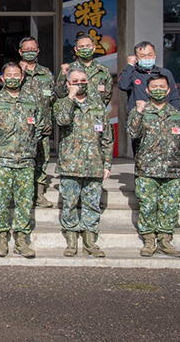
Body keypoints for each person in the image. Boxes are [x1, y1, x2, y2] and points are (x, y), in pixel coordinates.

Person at [0, 62, 47, 259]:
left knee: (24, 202)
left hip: (25, 160)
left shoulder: (32, 100)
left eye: (16, 75)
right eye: (8, 75)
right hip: (3, 159)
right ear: (2, 78)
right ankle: (1, 238)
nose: (12, 78)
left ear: (22, 77)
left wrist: (29, 148)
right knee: (1, 201)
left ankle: (21, 240)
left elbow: (40, 127)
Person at [127, 74, 180, 257]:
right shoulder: (140, 111)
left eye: (161, 86)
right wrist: (139, 112)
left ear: (169, 89)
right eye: (154, 87)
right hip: (147, 168)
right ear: (147, 90)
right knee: (147, 205)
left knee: (169, 206)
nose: (158, 90)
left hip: (171, 169)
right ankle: (148, 240)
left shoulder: (176, 114)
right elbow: (133, 131)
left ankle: (165, 240)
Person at [54, 67, 113, 257]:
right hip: (71, 164)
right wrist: (70, 97)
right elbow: (62, 120)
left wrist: (107, 164)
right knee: (70, 203)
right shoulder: (62, 103)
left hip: (94, 164)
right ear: (68, 83)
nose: (80, 84)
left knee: (92, 204)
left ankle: (90, 239)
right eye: (76, 81)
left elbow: (107, 138)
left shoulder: (98, 106)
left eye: (83, 81)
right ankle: (71, 239)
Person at [118, 40, 180, 153]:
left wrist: (179, 118)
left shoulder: (164, 74)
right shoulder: (132, 73)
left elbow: (174, 97)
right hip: (141, 122)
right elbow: (122, 85)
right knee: (141, 157)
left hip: (164, 121)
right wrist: (129, 65)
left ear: (155, 55)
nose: (147, 58)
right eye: (142, 55)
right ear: (136, 58)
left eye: (150, 55)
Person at [17, 36, 56, 208]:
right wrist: (21, 74)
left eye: (33, 49)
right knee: (23, 161)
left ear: (38, 51)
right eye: (26, 50)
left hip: (43, 126)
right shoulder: (15, 71)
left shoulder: (46, 73)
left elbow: (54, 98)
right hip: (22, 128)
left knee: (42, 161)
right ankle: (22, 195)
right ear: (20, 52)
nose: (30, 52)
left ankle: (39, 195)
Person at [56, 32, 113, 107]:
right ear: (76, 50)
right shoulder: (69, 69)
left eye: (88, 46)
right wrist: (63, 75)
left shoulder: (103, 70)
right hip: (74, 113)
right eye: (81, 47)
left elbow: (107, 95)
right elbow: (60, 93)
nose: (85, 49)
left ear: (94, 48)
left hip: (95, 114)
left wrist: (97, 109)